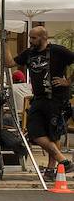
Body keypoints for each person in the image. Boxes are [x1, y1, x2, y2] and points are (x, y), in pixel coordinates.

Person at [5, 24, 74, 178]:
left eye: (33, 38)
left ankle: (51, 170)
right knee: (34, 133)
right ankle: (63, 161)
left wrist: (68, 81)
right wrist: (5, 42)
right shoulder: (29, 53)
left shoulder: (57, 51)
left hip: (56, 99)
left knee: (53, 135)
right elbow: (10, 63)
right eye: (30, 37)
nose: (30, 40)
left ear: (44, 38)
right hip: (38, 99)